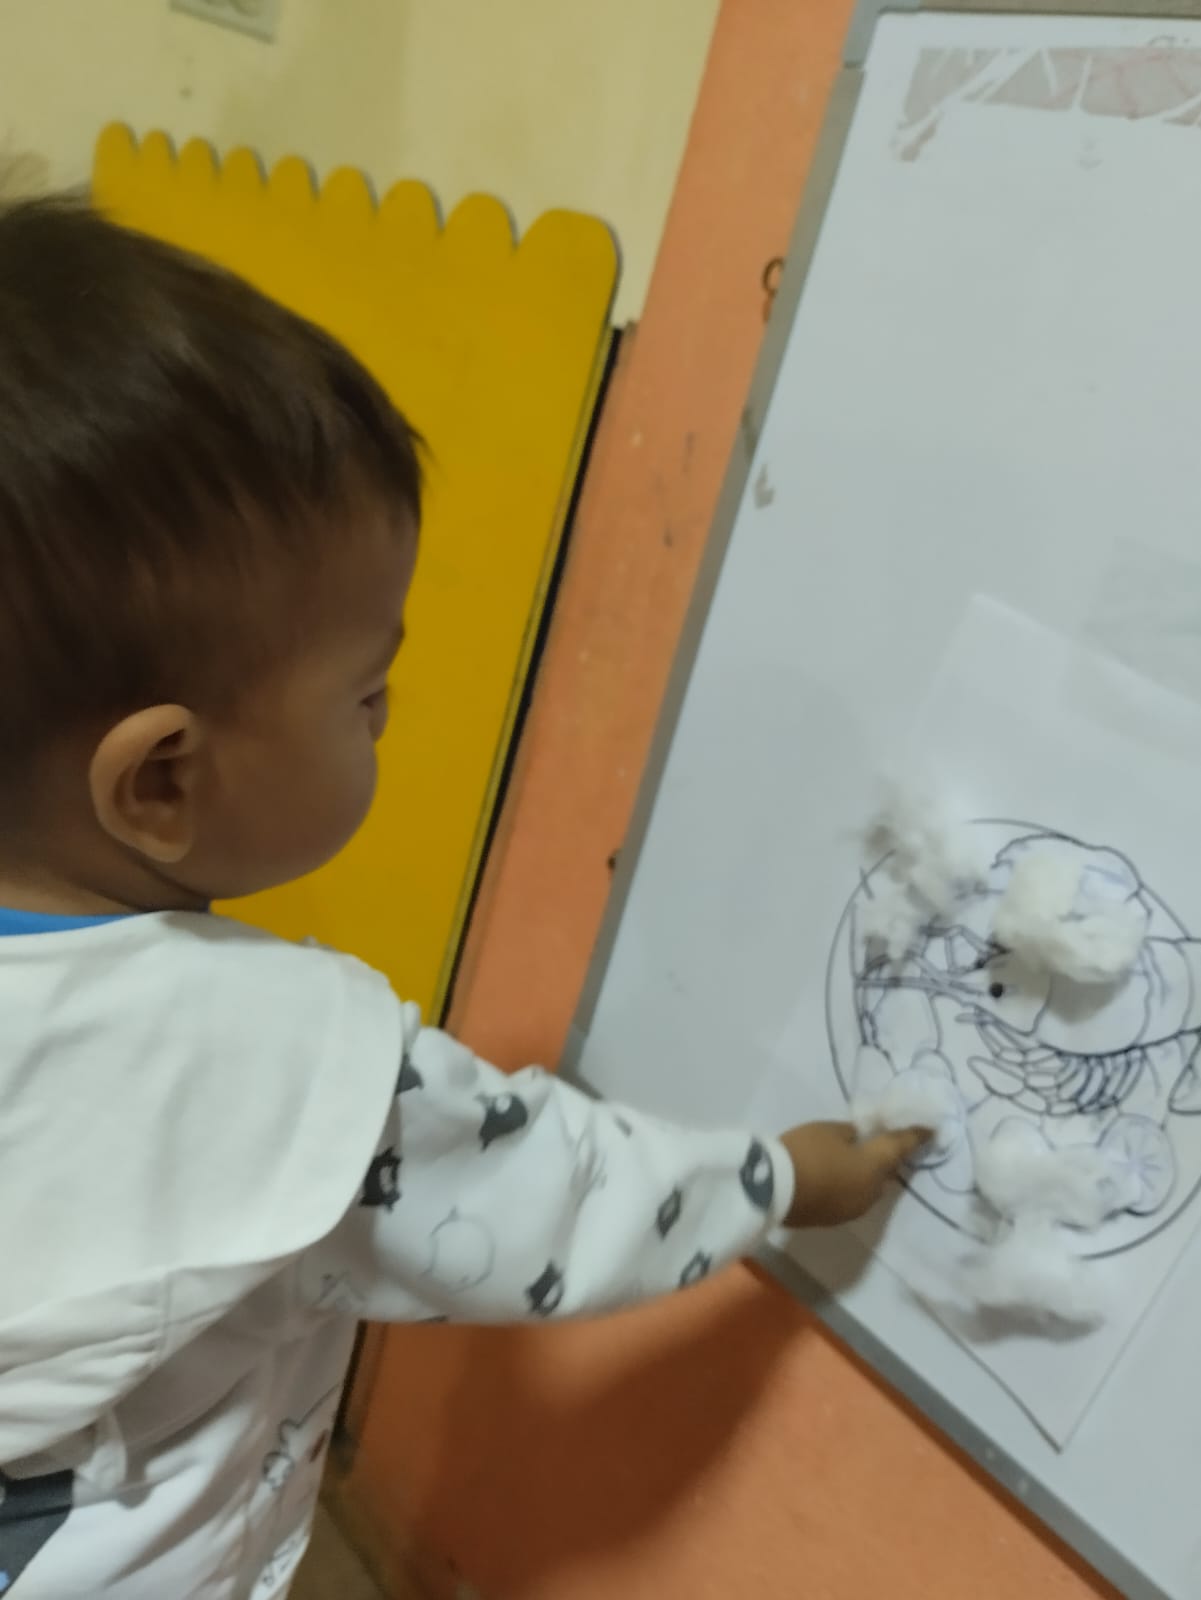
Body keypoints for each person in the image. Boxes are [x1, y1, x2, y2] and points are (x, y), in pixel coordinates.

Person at [0, 197, 928, 1599]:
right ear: (163, 781)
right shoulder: (279, 1066)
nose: (388, 713)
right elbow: (560, 1201)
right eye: (366, 689)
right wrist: (792, 1177)